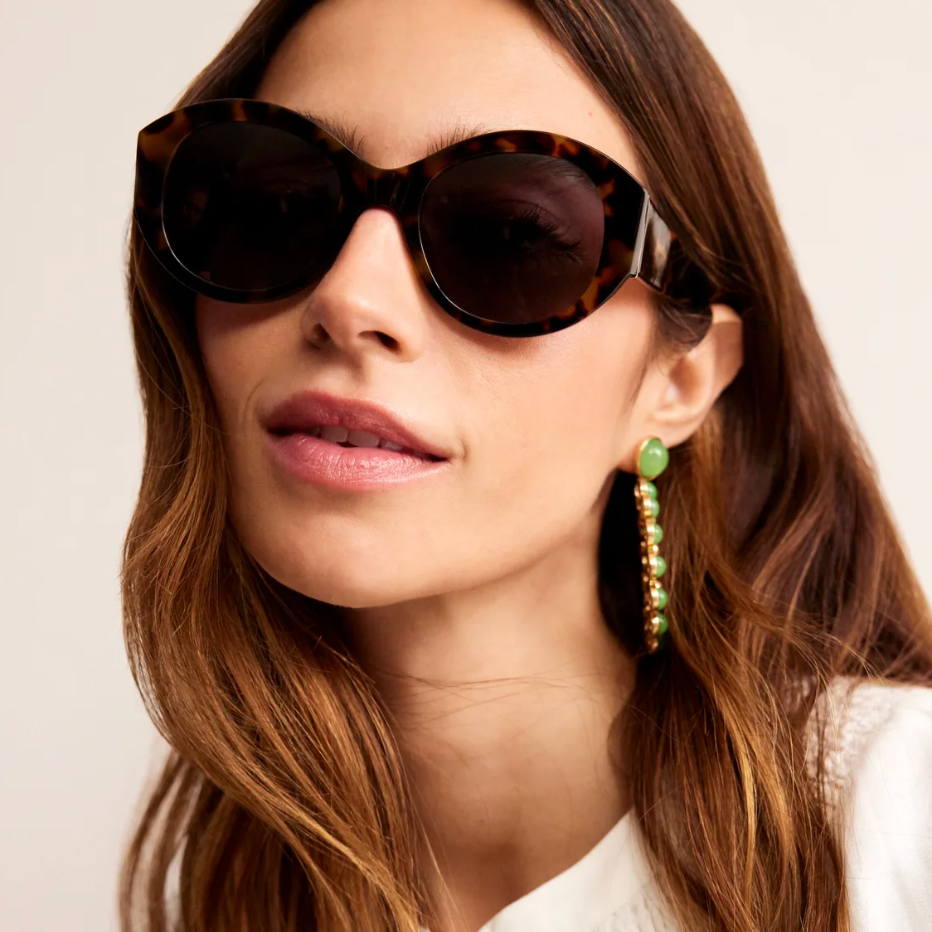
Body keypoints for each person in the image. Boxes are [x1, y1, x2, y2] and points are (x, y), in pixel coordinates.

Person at [120, 0, 932, 930]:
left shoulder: (898, 823)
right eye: (277, 207)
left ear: (676, 383)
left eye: (510, 233)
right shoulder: (229, 902)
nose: (349, 299)